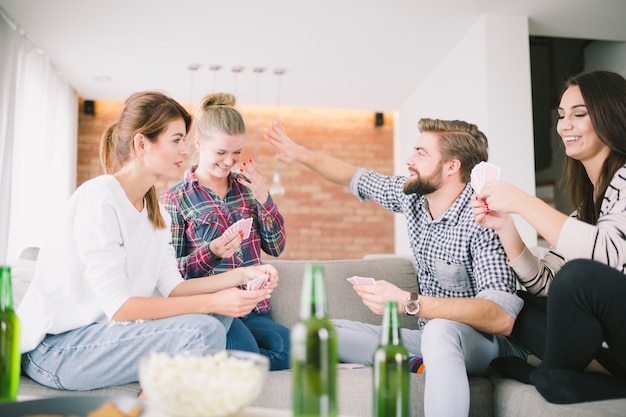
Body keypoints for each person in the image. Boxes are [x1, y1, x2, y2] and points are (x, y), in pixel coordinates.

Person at [264, 118, 525, 417]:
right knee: (321, 333)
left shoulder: (484, 218)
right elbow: (355, 176)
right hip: (428, 339)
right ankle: (417, 364)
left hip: (482, 345)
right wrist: (298, 153)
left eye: (421, 153)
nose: (409, 160)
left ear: (452, 166)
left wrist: (407, 302)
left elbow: (501, 318)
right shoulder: (414, 197)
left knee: (440, 330)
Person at [17, 91, 275, 391]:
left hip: (106, 338)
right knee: (205, 329)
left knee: (215, 315)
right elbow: (119, 307)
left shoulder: (158, 212)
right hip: (58, 350)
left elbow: (174, 288)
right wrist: (212, 301)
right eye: (176, 139)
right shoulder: (100, 196)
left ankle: (156, 399)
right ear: (142, 144)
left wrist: (243, 276)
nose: (184, 150)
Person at [471, 70, 626, 403]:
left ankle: (549, 375)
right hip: (612, 348)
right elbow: (546, 284)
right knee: (511, 303)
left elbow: (608, 257)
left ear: (612, 115)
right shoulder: (583, 211)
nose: (564, 125)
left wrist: (526, 203)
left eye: (578, 114)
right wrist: (506, 226)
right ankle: (561, 379)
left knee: (579, 275)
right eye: (561, 115)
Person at [160, 92, 290, 370]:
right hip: (212, 309)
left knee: (292, 352)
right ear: (198, 143)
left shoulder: (246, 191)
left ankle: (206, 360)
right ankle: (206, 356)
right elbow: (170, 276)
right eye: (221, 152)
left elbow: (276, 247)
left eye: (237, 153)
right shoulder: (175, 200)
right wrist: (212, 252)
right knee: (247, 354)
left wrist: (264, 197)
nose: (229, 161)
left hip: (253, 308)